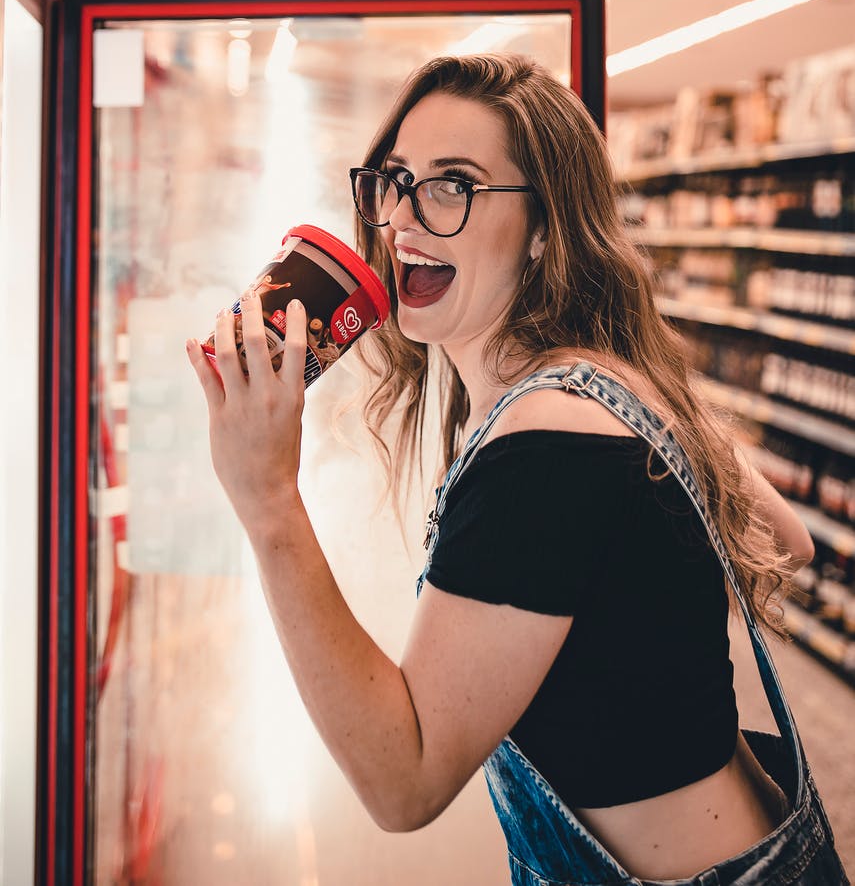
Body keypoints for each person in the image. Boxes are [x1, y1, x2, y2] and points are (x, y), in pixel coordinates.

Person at [186, 53, 848, 886]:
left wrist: (268, 502)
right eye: (395, 180)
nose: (403, 221)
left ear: (544, 228)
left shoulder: (542, 446)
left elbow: (404, 781)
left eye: (453, 185)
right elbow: (788, 543)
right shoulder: (596, 380)